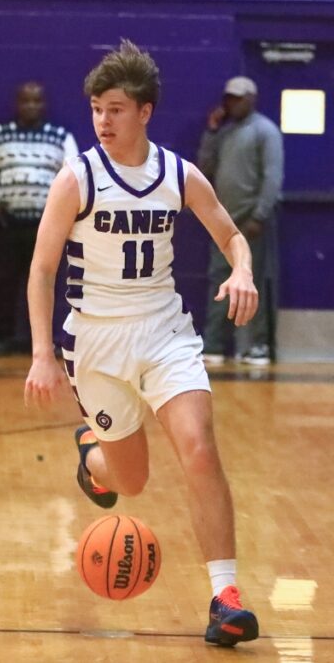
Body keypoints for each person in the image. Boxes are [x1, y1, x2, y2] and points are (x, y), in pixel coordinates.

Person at [24, 40, 260, 647]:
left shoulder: (178, 174)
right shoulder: (77, 177)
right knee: (130, 482)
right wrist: (43, 355)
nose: (103, 121)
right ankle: (93, 455)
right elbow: (42, 270)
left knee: (199, 449)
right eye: (97, 109)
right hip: (96, 343)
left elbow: (231, 235)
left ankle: (226, 598)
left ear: (145, 111)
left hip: (163, 332)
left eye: (116, 109)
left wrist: (242, 270)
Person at [0, 82, 78, 356]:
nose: (31, 106)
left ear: (44, 104)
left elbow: (74, 174)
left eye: (36, 101)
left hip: (46, 225)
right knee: (3, 283)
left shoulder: (60, 137)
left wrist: (61, 212)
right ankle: (2, 338)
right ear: (17, 104)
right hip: (5, 223)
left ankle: (41, 342)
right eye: (26, 101)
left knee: (44, 283)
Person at [197, 76, 284, 366]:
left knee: (253, 282)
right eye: (229, 99)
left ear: (251, 99)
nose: (232, 103)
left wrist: (259, 215)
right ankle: (214, 345)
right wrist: (211, 131)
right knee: (218, 282)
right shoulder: (224, 133)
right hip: (224, 224)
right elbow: (204, 170)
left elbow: (272, 178)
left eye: (237, 98)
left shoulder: (265, 131)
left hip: (250, 223)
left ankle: (257, 346)